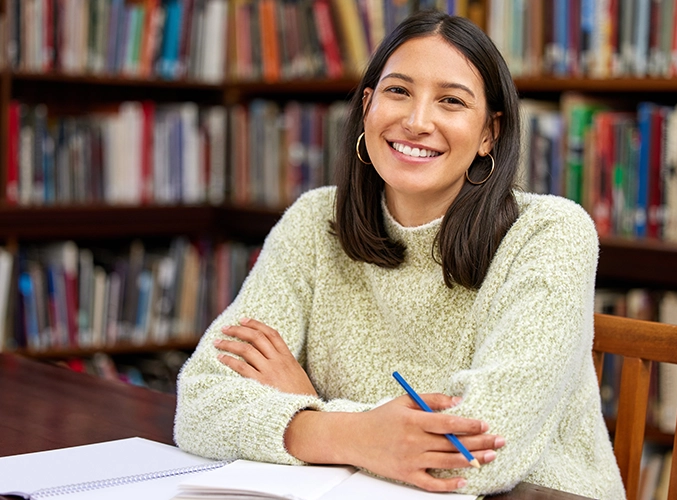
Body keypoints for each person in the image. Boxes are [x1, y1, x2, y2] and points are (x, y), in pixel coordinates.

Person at [174, 10, 626, 499]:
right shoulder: (313, 221)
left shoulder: (550, 234)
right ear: (367, 106)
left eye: (451, 101)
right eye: (398, 92)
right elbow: (199, 402)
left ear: (488, 133)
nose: (416, 122)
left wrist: (310, 411)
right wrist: (362, 435)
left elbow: (474, 459)